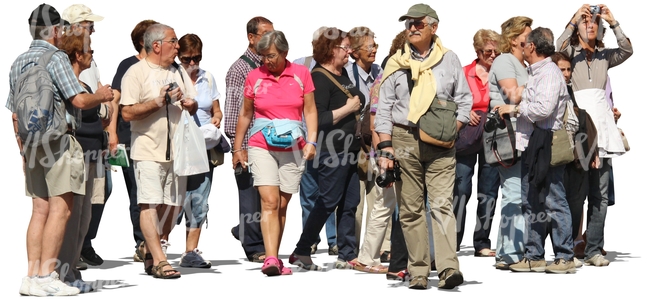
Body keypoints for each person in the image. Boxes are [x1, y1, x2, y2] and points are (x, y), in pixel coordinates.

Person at [11, 4, 112, 296]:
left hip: (31, 144)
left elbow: (14, 113)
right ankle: (48, 275)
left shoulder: (18, 61)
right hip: (58, 141)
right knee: (61, 208)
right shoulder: (55, 58)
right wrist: (101, 96)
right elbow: (79, 101)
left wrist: (22, 150)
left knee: (39, 209)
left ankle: (31, 276)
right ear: (55, 30)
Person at [375, 4, 471, 289]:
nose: (412, 28)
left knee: (442, 205)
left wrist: (453, 130)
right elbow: (384, 108)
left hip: (441, 143)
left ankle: (448, 269)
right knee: (411, 209)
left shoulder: (450, 59)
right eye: (409, 24)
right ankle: (417, 271)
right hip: (404, 139)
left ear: (433, 27)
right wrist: (386, 149)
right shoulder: (395, 62)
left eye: (418, 24)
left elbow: (464, 100)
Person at [232, 30, 317, 276]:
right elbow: (246, 114)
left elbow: (310, 111)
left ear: (284, 52)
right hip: (261, 144)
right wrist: (238, 148)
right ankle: (270, 259)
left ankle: (275, 256)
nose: (266, 61)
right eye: (262, 56)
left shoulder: (302, 74)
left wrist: (312, 140)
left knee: (282, 203)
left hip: (294, 145)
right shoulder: (254, 76)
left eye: (270, 56)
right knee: (269, 201)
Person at [120, 23, 198, 279]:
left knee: (173, 207)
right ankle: (160, 260)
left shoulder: (178, 71)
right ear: (156, 46)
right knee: (149, 204)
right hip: (147, 150)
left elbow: (194, 103)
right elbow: (127, 112)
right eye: (173, 41)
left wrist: (189, 103)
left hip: (178, 151)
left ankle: (148, 246)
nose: (178, 46)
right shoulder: (136, 73)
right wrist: (158, 102)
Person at [495, 27, 575, 274]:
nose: (521, 48)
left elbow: (543, 109)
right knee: (531, 201)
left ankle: (565, 256)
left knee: (554, 200)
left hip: (548, 143)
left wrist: (515, 110)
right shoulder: (537, 72)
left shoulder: (549, 73)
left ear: (531, 47)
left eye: (524, 44)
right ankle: (534, 255)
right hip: (533, 143)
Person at [557, 3, 632, 267]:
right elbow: (559, 44)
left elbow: (627, 50)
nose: (591, 25)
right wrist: (575, 17)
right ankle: (568, 247)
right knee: (576, 193)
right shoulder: (570, 54)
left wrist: (613, 22)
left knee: (600, 194)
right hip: (579, 127)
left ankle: (593, 250)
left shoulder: (605, 55)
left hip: (603, 127)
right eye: (586, 22)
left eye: (594, 23)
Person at [289, 27, 364, 271]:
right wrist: (349, 108)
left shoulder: (343, 75)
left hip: (350, 149)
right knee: (327, 200)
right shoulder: (320, 78)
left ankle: (347, 253)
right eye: (345, 47)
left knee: (350, 202)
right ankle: (302, 249)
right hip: (332, 151)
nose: (349, 51)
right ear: (332, 50)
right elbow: (317, 119)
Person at [55, 29, 110, 294]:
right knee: (73, 217)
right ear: (78, 54)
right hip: (75, 157)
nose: (93, 55)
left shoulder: (84, 84)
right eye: (89, 51)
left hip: (91, 157)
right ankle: (63, 272)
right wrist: (101, 97)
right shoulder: (72, 87)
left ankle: (72, 270)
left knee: (84, 218)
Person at [223, 16, 274, 263]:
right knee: (250, 197)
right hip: (248, 144)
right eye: (265, 34)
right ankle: (253, 245)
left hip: (271, 144)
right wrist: (238, 147)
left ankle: (246, 232)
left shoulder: (270, 66)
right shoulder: (240, 69)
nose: (270, 39)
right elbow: (233, 112)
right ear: (251, 38)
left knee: (268, 196)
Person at [109, 19, 159, 262]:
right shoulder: (128, 66)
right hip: (131, 138)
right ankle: (142, 243)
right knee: (138, 193)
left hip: (160, 141)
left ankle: (157, 239)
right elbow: (115, 100)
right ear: (143, 41)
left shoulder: (165, 66)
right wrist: (112, 132)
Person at [487, 16, 532, 270]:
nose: (532, 38)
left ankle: (509, 251)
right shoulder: (505, 60)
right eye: (528, 33)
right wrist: (541, 83)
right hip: (508, 137)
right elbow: (512, 94)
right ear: (514, 38)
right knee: (514, 194)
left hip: (522, 136)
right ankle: (510, 254)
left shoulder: (522, 63)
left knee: (520, 194)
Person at [453, 29, 501, 258]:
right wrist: (464, 111)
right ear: (477, 51)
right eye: (487, 51)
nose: (492, 55)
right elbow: (447, 99)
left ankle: (481, 242)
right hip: (467, 137)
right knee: (460, 187)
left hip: (493, 137)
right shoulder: (464, 73)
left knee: (489, 191)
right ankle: (451, 240)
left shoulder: (501, 73)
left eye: (495, 50)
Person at [174, 33, 221, 268]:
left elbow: (216, 109)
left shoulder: (207, 78)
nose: (193, 63)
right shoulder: (171, 77)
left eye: (197, 58)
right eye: (187, 58)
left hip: (203, 147)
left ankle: (190, 251)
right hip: (177, 147)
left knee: (199, 199)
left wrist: (217, 119)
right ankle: (157, 246)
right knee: (173, 200)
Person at [345, 26, 390, 259]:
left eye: (375, 46)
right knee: (355, 202)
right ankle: (351, 250)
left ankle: (377, 250)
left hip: (375, 144)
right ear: (354, 52)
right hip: (353, 146)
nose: (373, 51)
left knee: (378, 199)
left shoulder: (380, 71)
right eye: (369, 47)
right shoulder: (347, 75)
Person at [294, 26, 338, 256]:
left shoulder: (341, 68)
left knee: (329, 192)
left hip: (331, 139)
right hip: (305, 138)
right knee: (309, 192)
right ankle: (310, 239)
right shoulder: (300, 64)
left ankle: (334, 240)